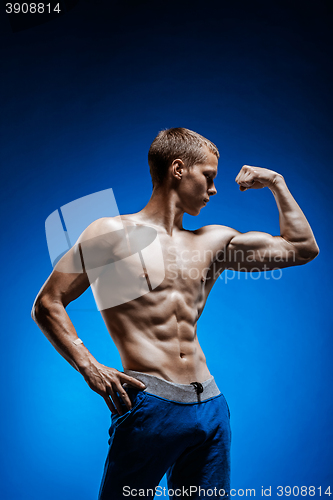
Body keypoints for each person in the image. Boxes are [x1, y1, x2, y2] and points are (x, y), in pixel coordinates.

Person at [32, 128, 319, 499]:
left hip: (211, 408)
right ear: (179, 169)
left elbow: (301, 248)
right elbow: (48, 302)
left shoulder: (214, 241)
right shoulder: (110, 234)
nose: (214, 190)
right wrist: (90, 366)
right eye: (209, 177)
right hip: (150, 403)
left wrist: (276, 183)